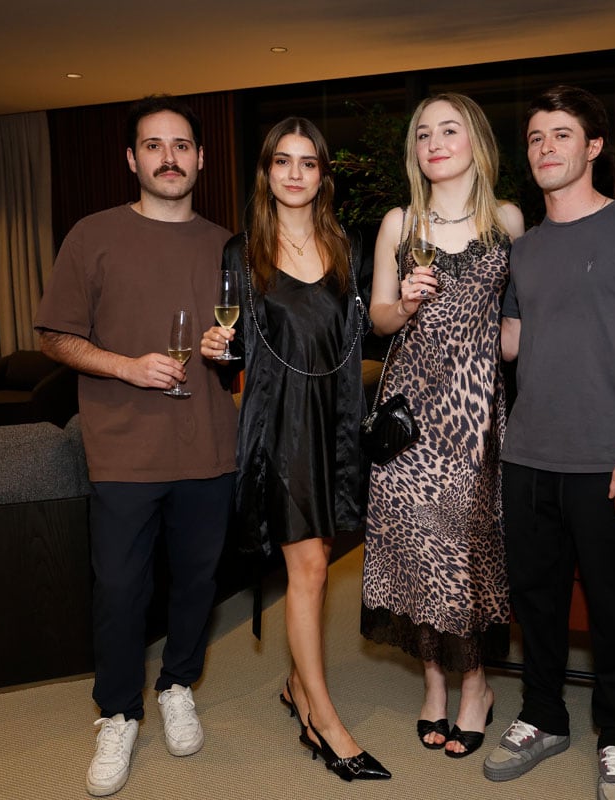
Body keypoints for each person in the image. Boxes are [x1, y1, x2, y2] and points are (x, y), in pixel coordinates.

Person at [483, 84, 615, 799]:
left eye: (561, 136)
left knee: (612, 603)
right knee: (534, 600)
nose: (546, 149)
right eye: (536, 138)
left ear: (593, 146)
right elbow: (509, 343)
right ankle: (543, 715)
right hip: (527, 453)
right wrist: (451, 296)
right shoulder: (525, 250)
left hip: (609, 456)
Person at [34, 94, 237, 798]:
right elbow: (56, 335)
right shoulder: (92, 235)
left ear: (201, 158)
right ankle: (117, 713)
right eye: (154, 146)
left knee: (198, 582)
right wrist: (126, 366)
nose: (169, 158)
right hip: (123, 448)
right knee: (121, 591)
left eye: (181, 146)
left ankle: (178, 683)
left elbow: (248, 348)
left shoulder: (226, 244)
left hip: (210, 443)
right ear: (132, 159)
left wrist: (228, 349)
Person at [199, 117, 390, 781]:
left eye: (308, 163)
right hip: (279, 425)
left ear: (322, 175)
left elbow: (365, 332)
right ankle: (322, 720)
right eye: (283, 161)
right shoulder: (240, 251)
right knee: (308, 567)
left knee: (322, 556)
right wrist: (219, 351)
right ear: (267, 172)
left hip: (336, 417)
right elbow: (242, 350)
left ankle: (292, 682)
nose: (295, 174)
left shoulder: (349, 248)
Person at [362, 93, 524, 759]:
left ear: (476, 142)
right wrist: (402, 303)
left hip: (475, 414)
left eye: (448, 129)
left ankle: (476, 687)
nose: (434, 141)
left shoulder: (508, 219)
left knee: (467, 554)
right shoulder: (400, 221)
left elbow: (515, 326)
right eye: (424, 133)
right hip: (407, 419)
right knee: (409, 549)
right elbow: (377, 319)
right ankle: (434, 684)